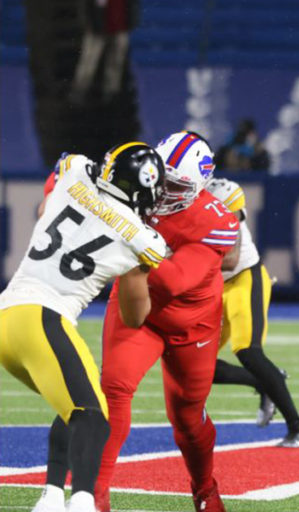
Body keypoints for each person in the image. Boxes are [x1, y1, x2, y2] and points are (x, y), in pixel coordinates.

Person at [3, 149, 167, 512]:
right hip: (43, 319)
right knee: (93, 418)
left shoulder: (76, 170)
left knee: (77, 405)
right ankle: (83, 502)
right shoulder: (144, 240)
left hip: (8, 315)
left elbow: (45, 210)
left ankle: (49, 498)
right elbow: (134, 313)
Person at [94, 132, 237, 512]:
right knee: (114, 390)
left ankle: (205, 489)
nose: (163, 187)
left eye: (176, 183)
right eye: (160, 174)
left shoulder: (215, 222)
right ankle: (93, 498)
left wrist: (129, 240)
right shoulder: (135, 180)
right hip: (137, 305)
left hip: (192, 324)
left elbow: (173, 281)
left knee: (189, 420)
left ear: (196, 188)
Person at [205, 177, 299, 447]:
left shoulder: (221, 194)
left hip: (244, 277)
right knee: (197, 363)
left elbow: (230, 258)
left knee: (248, 350)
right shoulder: (180, 200)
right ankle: (268, 380)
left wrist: (183, 259)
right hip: (215, 283)